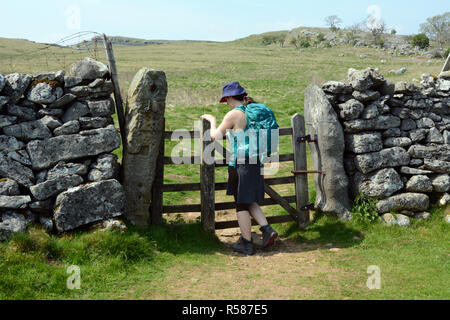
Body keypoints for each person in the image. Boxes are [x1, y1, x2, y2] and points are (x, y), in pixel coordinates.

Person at [201, 81, 278, 255]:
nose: (225, 103)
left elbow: (215, 136)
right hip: (255, 161)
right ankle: (267, 230)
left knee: (241, 204)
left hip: (240, 163)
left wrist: (212, 120)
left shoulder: (233, 114)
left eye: (225, 99)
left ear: (229, 97)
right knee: (249, 200)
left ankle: (246, 242)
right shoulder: (252, 113)